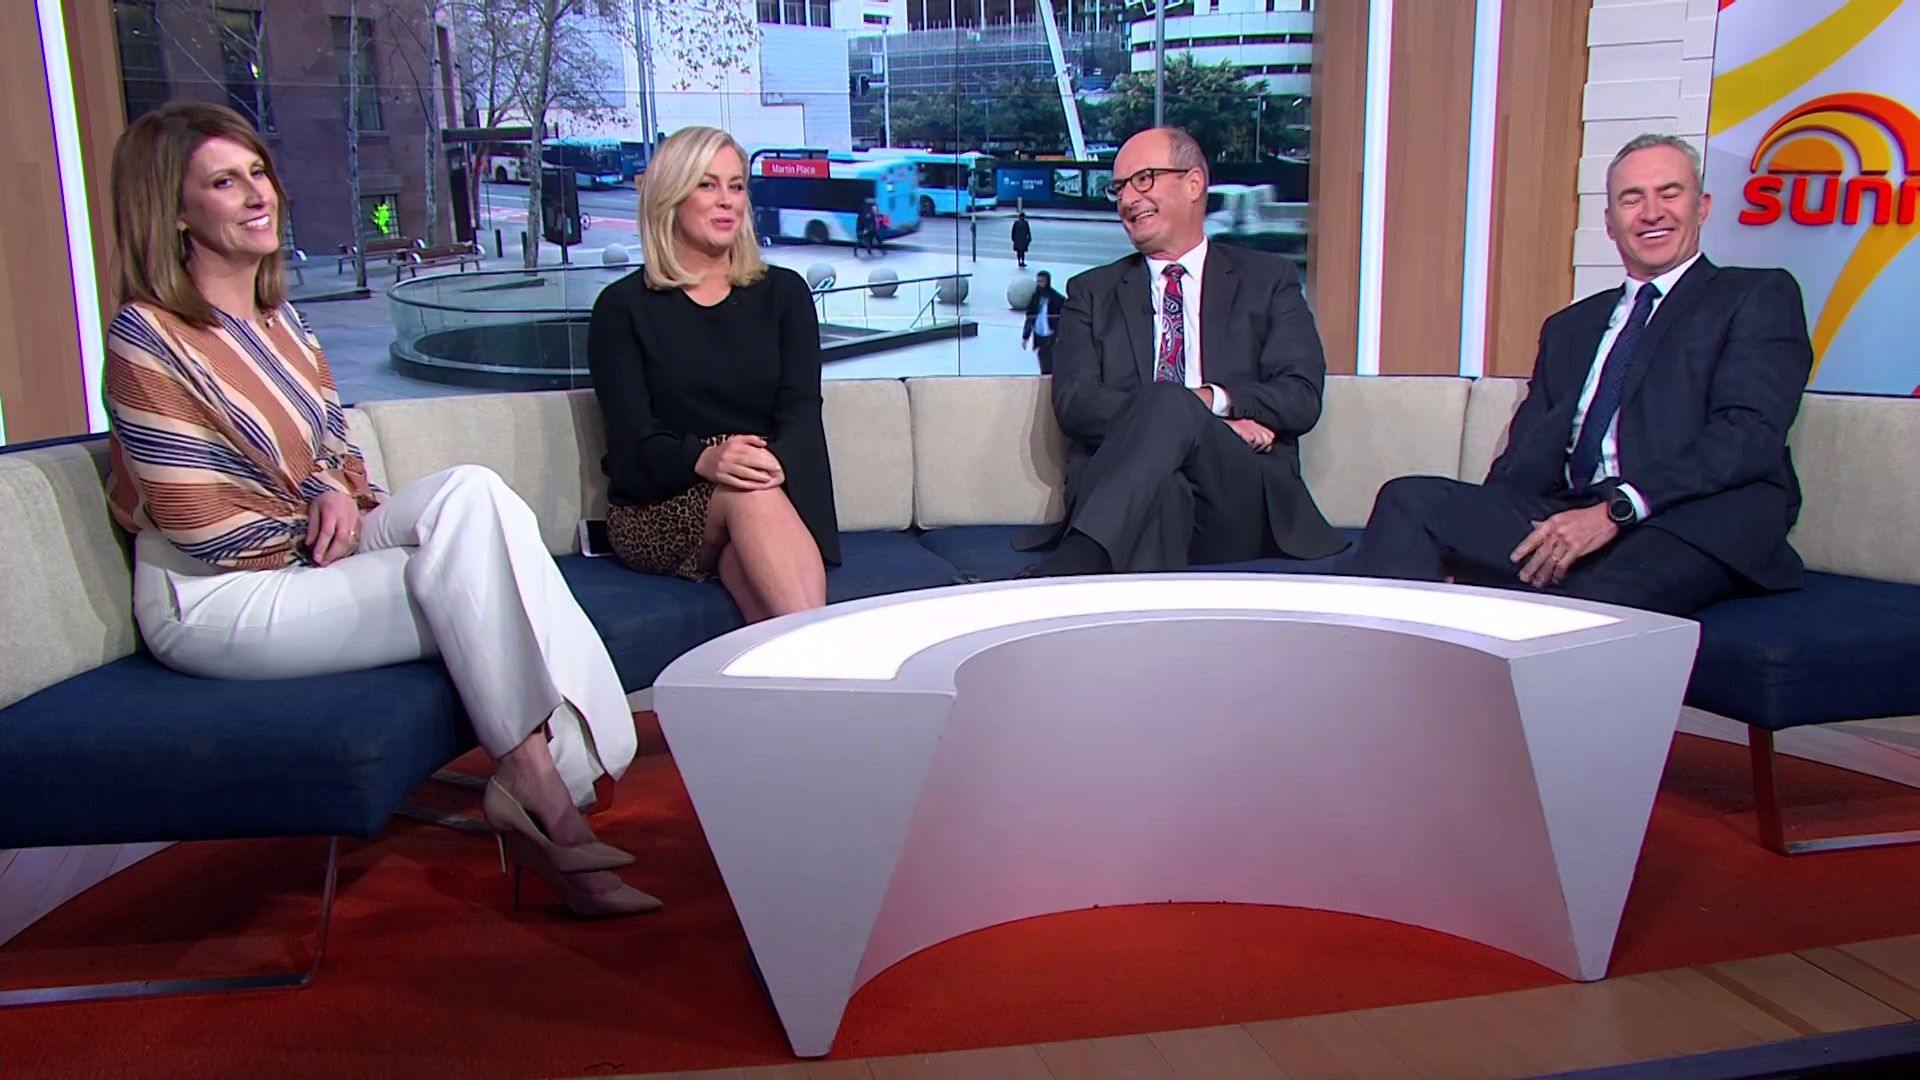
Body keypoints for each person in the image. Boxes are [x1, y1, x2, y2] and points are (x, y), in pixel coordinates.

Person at [101, 103, 657, 918]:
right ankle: (545, 783)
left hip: (303, 548)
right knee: (481, 570)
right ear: (174, 211)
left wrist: (331, 488)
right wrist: (316, 517)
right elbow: (197, 520)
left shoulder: (280, 321)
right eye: (224, 182)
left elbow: (339, 446)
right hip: (220, 597)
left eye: (258, 172)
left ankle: (539, 785)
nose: (257, 194)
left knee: (476, 497)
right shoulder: (147, 336)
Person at [1345, 133, 1813, 616]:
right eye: (1632, 199)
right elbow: (1525, 453)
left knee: (1605, 589)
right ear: (1610, 223)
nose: (1652, 212)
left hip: (1688, 517)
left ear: (1703, 206)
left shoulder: (1754, 295)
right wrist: (1475, 541)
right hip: (1572, 507)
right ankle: (1392, 661)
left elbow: (1747, 434)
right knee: (1409, 501)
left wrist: (1618, 508)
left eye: (1669, 193)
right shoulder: (1571, 327)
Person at [1016, 127, 1346, 575]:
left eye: (1143, 179)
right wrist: (1185, 419)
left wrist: (1204, 405)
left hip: (1235, 492)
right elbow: (1075, 403)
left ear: (1193, 184)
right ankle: (1112, 589)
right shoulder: (1091, 292)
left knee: (1171, 404)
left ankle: (1074, 567)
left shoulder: (1268, 280)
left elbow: (1300, 396)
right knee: (1164, 484)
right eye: (1119, 188)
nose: (1127, 199)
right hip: (1125, 491)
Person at [588, 125, 839, 623]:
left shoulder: (785, 295)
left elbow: (801, 413)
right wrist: (705, 458)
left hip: (766, 484)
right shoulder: (622, 308)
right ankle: (828, 655)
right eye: (707, 185)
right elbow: (632, 440)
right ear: (671, 196)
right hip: (660, 501)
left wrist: (766, 463)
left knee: (754, 571)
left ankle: (803, 667)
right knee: (751, 497)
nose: (727, 200)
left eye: (736, 186)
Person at [1022, 270, 1066, 376]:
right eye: (1038, 282)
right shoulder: (1035, 298)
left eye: (1041, 282)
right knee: (1044, 364)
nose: (1039, 284)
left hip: (1052, 336)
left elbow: (1064, 319)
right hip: (1040, 335)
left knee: (1053, 364)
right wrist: (1025, 337)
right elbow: (1030, 317)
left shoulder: (1057, 298)